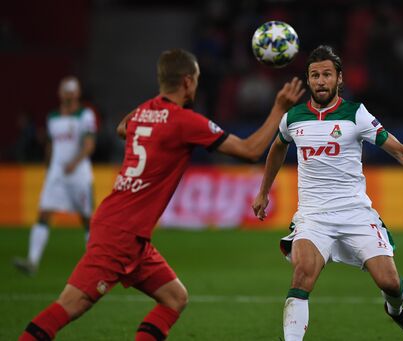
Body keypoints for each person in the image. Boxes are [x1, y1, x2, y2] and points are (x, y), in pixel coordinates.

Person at [18, 48, 304, 341]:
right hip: (119, 234)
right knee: (69, 306)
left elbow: (122, 128)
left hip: (130, 232)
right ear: (188, 82)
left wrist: (153, 112)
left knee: (175, 297)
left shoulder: (144, 113)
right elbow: (250, 150)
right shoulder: (184, 122)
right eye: (196, 79)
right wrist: (279, 107)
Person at [252, 45, 403, 341]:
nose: (321, 81)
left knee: (390, 283)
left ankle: (396, 311)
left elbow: (398, 151)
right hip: (313, 216)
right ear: (308, 80)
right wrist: (263, 192)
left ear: (339, 79)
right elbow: (277, 148)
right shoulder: (293, 118)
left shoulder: (356, 115)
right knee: (303, 273)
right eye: (315, 75)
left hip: (356, 213)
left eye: (327, 75)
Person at [13, 76, 97, 276]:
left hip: (79, 175)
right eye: (65, 91)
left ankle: (96, 264)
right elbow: (51, 146)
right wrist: (48, 168)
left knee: (87, 219)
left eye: (72, 91)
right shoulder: (52, 117)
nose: (68, 94)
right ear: (60, 93)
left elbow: (89, 145)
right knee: (44, 214)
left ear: (77, 93)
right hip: (57, 174)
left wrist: (74, 163)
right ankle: (32, 261)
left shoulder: (85, 115)